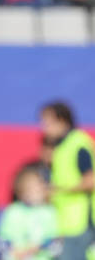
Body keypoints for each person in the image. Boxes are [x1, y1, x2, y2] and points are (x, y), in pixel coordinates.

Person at [40, 101, 95, 260]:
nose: (44, 127)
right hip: (64, 222)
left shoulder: (78, 143)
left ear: (62, 121)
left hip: (80, 220)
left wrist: (57, 190)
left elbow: (90, 181)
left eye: (48, 122)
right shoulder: (60, 147)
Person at [0, 167, 59, 260]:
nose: (35, 191)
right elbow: (3, 239)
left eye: (38, 187)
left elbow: (54, 240)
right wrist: (14, 251)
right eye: (30, 188)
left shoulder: (49, 212)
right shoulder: (13, 211)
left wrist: (37, 248)